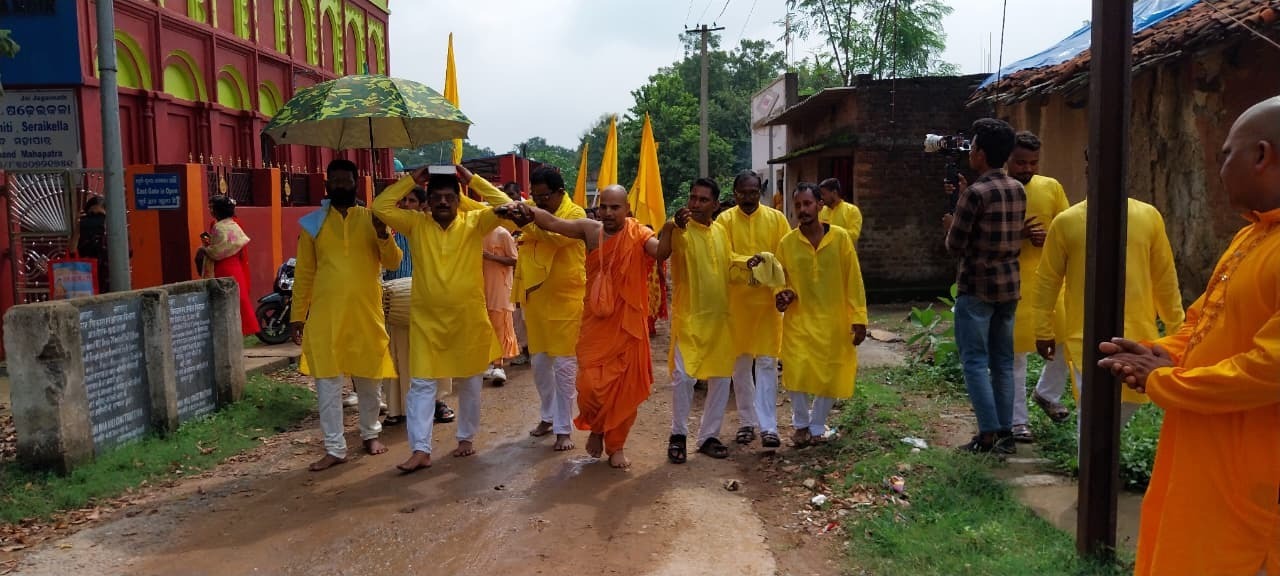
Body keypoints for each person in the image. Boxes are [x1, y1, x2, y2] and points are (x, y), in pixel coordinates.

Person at [1097, 96, 1280, 576]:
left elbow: (1269, 369)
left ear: (1262, 156)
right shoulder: (1252, 236)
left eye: (1226, 154)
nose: (1219, 169)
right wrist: (1160, 352)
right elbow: (1203, 320)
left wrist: (1166, 380)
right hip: (1202, 452)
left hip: (1253, 478)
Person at [499, 185, 671, 468]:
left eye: (615, 207)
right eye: (604, 207)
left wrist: (671, 227)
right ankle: (597, 428)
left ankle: (616, 446)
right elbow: (553, 223)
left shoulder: (640, 235)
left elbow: (661, 252)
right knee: (589, 387)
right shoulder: (591, 231)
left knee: (623, 389)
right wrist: (527, 212)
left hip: (627, 327)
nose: (608, 213)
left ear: (627, 209)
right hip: (596, 324)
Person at [372, 167, 505, 473]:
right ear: (427, 202)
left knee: (470, 383)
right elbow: (380, 207)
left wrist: (471, 180)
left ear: (459, 201)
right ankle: (420, 450)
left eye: (449, 197)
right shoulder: (416, 224)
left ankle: (466, 438)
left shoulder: (476, 222)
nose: (443, 202)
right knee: (421, 384)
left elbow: (505, 206)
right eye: (436, 197)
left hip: (468, 320)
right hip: (427, 323)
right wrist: (412, 180)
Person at [1032, 190, 1183, 437]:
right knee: (1091, 416)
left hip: (1138, 337)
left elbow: (1164, 277)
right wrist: (1042, 329)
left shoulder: (1148, 216)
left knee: (1127, 404)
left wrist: (1178, 331)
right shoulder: (1067, 222)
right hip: (1085, 337)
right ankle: (1089, 460)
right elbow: (1048, 280)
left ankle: (1101, 456)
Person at [291, 159, 402, 472]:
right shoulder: (313, 224)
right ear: (327, 184)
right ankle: (334, 447)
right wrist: (297, 315)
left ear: (356, 183)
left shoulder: (373, 219)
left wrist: (383, 234)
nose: (340, 184)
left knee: (370, 379)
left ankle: (370, 434)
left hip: (366, 314)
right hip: (326, 317)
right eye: (335, 180)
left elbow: (393, 262)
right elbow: (304, 273)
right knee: (328, 384)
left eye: (346, 180)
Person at [469, 166, 586, 452]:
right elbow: (499, 203)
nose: (539, 201)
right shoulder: (532, 208)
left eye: (544, 197)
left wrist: (526, 219)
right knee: (541, 365)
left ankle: (563, 429)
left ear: (560, 192)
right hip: (536, 300)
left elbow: (554, 236)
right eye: (535, 196)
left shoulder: (576, 214)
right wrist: (471, 180)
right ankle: (548, 416)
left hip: (566, 301)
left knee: (564, 367)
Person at [943, 118, 1026, 455]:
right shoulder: (1017, 188)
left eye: (973, 146)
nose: (970, 151)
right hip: (1009, 286)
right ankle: (1006, 433)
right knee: (1003, 361)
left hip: (977, 287)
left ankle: (988, 433)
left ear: (981, 153)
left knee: (975, 361)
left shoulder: (975, 194)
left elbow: (955, 245)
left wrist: (950, 223)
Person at [773, 183, 867, 446]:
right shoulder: (787, 243)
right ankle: (801, 424)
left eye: (807, 204)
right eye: (798, 205)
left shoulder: (840, 238)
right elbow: (780, 279)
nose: (802, 210)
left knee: (830, 372)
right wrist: (783, 293)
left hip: (833, 320)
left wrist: (859, 318)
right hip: (799, 319)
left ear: (819, 206)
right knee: (796, 371)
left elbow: (854, 279)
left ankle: (817, 425)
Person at [666, 179, 744, 464]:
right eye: (692, 198)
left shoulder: (721, 231)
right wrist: (674, 225)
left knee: (721, 378)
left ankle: (709, 436)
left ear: (715, 204)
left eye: (702, 199)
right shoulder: (680, 229)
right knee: (684, 377)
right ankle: (678, 435)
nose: (695, 204)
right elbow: (667, 247)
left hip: (719, 318)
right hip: (690, 318)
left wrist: (749, 263)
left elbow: (728, 263)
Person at [1002, 131, 1072, 440]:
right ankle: (1018, 421)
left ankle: (1046, 393)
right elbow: (982, 235)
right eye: (1020, 162)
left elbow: (1066, 226)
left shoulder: (1051, 187)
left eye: (1033, 162)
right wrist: (1018, 235)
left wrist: (1050, 238)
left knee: (1066, 341)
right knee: (1015, 354)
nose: (1027, 168)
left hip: (1050, 280)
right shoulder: (997, 190)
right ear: (1007, 159)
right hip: (1012, 280)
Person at [715, 170, 791, 448]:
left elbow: (785, 257)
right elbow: (721, 256)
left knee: (768, 363)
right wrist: (745, 262)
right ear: (734, 194)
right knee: (741, 364)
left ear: (761, 192)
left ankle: (769, 426)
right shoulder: (724, 221)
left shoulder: (776, 219)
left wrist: (783, 290)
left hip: (767, 305)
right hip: (737, 304)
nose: (748, 198)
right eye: (743, 193)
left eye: (753, 192)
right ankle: (747, 423)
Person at [378, 186, 456, 426]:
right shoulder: (389, 231)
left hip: (429, 302)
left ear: (423, 205)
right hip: (397, 303)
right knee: (398, 356)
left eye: (411, 200)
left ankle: (437, 402)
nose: (405, 205)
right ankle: (397, 408)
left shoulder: (433, 230)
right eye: (403, 201)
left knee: (432, 355)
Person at [198, 195, 261, 336]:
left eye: (212, 207)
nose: (210, 210)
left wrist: (205, 249)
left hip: (223, 267)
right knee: (240, 298)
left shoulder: (218, 226)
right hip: (236, 266)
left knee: (222, 300)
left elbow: (216, 252)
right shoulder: (234, 224)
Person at [482, 224, 519, 385]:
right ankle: (489, 363)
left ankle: (499, 365)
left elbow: (514, 259)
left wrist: (490, 257)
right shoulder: (477, 232)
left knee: (500, 326)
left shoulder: (502, 233)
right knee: (486, 326)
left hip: (500, 287)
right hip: (482, 286)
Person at [76, 196, 109, 294]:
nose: (96, 219)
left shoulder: (112, 237)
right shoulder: (82, 237)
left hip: (108, 286)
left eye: (100, 215)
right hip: (87, 287)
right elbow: (72, 253)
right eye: (92, 214)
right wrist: (78, 227)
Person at [817, 177, 863, 245]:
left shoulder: (852, 210)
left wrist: (830, 232)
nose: (821, 197)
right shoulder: (820, 211)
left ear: (834, 193)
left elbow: (854, 235)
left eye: (823, 194)